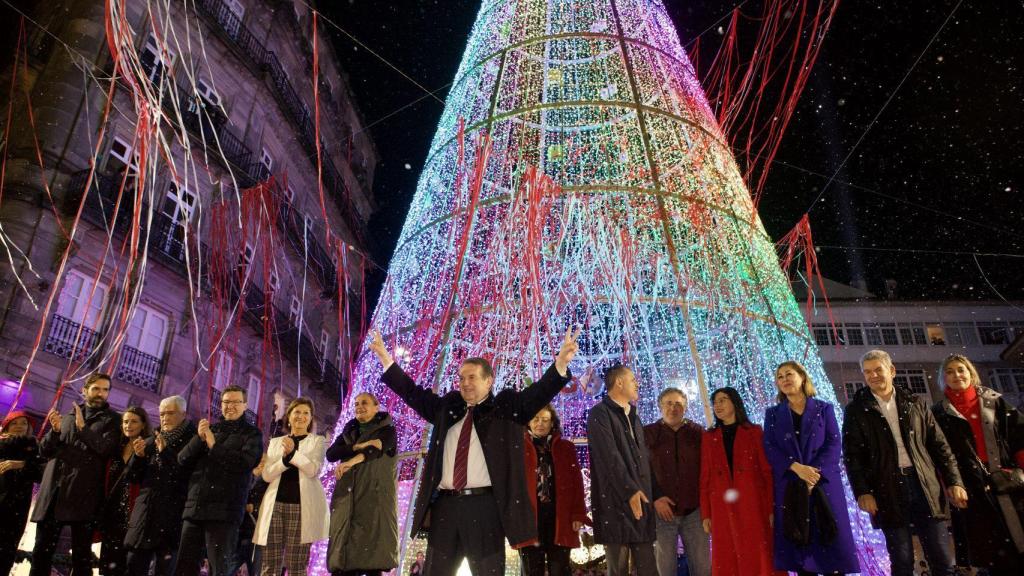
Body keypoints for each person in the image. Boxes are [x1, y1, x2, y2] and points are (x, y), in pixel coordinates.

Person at [367, 326, 578, 575]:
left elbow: (537, 393)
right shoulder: (448, 408)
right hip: (445, 507)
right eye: (461, 378)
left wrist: (560, 365)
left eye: (472, 378)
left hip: (486, 507)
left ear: (488, 381)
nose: (465, 383)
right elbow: (413, 393)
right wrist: (385, 359)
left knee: (488, 570)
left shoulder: (505, 408)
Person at [842, 349, 968, 576]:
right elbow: (853, 457)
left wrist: (954, 481)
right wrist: (863, 492)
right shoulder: (856, 410)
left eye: (878, 370)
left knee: (942, 559)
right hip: (887, 490)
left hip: (924, 485)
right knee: (902, 561)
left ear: (891, 371)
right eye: (867, 372)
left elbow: (939, 446)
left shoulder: (914, 402)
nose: (873, 376)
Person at [762, 362, 859, 576]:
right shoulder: (773, 414)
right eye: (780, 376)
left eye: (789, 374)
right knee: (801, 546)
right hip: (791, 484)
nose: (785, 379)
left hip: (823, 484)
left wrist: (813, 473)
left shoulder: (824, 409)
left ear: (802, 377)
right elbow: (769, 446)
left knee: (831, 542)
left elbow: (834, 442)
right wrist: (796, 468)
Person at [931, 354, 1024, 575]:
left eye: (961, 369)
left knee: (1019, 538)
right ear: (944, 379)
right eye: (950, 372)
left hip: (1008, 482)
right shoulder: (938, 413)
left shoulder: (995, 401)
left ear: (971, 373)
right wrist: (950, 485)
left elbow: (1019, 437)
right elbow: (938, 455)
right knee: (990, 549)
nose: (956, 375)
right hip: (968, 487)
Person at [31, 372, 121, 576]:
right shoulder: (69, 415)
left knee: (81, 557)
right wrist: (54, 431)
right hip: (54, 493)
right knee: (41, 554)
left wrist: (83, 428)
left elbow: (106, 448)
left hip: (84, 497)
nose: (101, 393)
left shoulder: (114, 420)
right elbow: (45, 451)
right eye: (96, 388)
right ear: (85, 390)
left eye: (105, 390)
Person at [175, 384, 263, 576]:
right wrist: (199, 438)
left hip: (225, 511)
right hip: (195, 508)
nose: (230, 406)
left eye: (236, 402)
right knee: (184, 567)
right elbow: (182, 459)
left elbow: (243, 463)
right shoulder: (209, 429)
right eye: (226, 402)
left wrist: (214, 446)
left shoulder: (252, 434)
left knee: (219, 568)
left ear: (245, 405)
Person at [699, 386, 777, 576]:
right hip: (721, 507)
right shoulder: (709, 437)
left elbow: (766, 471)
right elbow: (705, 477)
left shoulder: (754, 432)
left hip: (753, 503)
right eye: (715, 401)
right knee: (727, 556)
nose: (718, 405)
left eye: (723, 399)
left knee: (758, 553)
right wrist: (706, 514)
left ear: (735, 403)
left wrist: (770, 508)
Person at [588, 365, 657, 576]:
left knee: (648, 569)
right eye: (633, 379)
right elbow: (609, 458)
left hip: (641, 504)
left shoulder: (634, 416)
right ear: (619, 382)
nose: (637, 383)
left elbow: (642, 460)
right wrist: (629, 490)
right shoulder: (600, 414)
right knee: (618, 569)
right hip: (615, 505)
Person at [255, 397, 330, 576]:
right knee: (269, 564)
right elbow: (267, 474)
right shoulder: (276, 442)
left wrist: (292, 454)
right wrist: (285, 460)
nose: (301, 416)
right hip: (274, 506)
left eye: (306, 413)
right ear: (289, 417)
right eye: (297, 412)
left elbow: (313, 470)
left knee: (296, 564)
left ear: (311, 419)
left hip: (301, 508)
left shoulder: (317, 441)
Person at [326, 391, 399, 575]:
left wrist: (351, 460)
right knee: (344, 554)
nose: (359, 406)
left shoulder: (387, 430)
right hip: (347, 499)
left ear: (376, 407)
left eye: (365, 402)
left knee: (371, 557)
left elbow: (375, 451)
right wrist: (356, 446)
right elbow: (331, 454)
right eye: (356, 403)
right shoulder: (349, 432)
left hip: (373, 499)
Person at [125, 395, 197, 576]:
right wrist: (139, 458)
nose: (164, 418)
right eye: (162, 413)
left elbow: (185, 475)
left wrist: (166, 453)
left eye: (170, 413)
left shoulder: (195, 441)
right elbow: (133, 478)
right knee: (133, 565)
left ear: (183, 414)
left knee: (164, 569)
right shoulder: (151, 440)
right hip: (144, 516)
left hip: (172, 516)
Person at [515, 404, 590, 576]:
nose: (540, 423)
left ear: (552, 423)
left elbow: (577, 484)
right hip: (529, 521)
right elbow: (513, 487)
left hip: (559, 520)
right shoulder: (518, 448)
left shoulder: (566, 448)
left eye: (545, 420)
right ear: (528, 422)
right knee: (531, 570)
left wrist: (578, 514)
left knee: (560, 569)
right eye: (535, 419)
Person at [644, 388, 710, 576]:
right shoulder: (648, 434)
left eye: (678, 404)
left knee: (703, 567)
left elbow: (708, 468)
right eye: (669, 403)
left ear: (685, 408)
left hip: (694, 512)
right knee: (665, 569)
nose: (673, 408)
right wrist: (656, 498)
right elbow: (642, 471)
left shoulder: (698, 433)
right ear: (660, 406)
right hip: (662, 513)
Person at [100, 406, 153, 576]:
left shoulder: (150, 448)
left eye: (134, 421)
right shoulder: (115, 448)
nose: (128, 425)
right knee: (109, 567)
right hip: (112, 515)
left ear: (143, 425)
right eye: (125, 421)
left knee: (130, 567)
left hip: (134, 516)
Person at [0, 410, 43, 575]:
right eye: (15, 423)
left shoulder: (33, 447)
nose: (19, 426)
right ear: (7, 426)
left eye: (24, 423)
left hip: (17, 507)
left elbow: (41, 473)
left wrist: (23, 465)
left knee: (7, 550)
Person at [228, 456, 268, 576]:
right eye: (260, 461)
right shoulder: (246, 477)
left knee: (255, 569)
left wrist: (254, 508)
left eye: (265, 462)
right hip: (240, 533)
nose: (261, 464)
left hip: (256, 535)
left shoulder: (268, 482)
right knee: (228, 567)